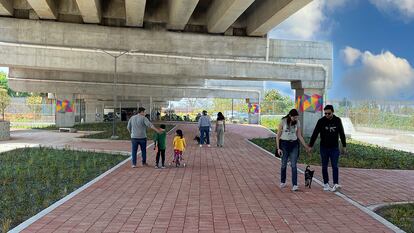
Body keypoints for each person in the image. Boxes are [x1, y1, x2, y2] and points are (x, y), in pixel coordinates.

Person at [308, 105, 347, 192]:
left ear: (333, 112)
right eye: (325, 113)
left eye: (329, 113)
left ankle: (336, 184)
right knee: (324, 166)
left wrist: (344, 146)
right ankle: (326, 183)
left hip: (334, 148)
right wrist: (310, 145)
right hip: (324, 148)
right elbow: (315, 133)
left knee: (335, 166)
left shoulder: (337, 120)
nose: (327, 115)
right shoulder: (321, 121)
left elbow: (342, 133)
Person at [276, 109, 310, 191]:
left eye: (297, 117)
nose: (296, 119)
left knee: (294, 165)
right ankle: (283, 181)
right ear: (290, 116)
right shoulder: (283, 121)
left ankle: (295, 184)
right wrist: (278, 148)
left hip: (294, 144)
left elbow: (299, 135)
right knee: (283, 164)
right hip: (284, 144)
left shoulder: (297, 122)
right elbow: (278, 136)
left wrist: (306, 146)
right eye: (294, 117)